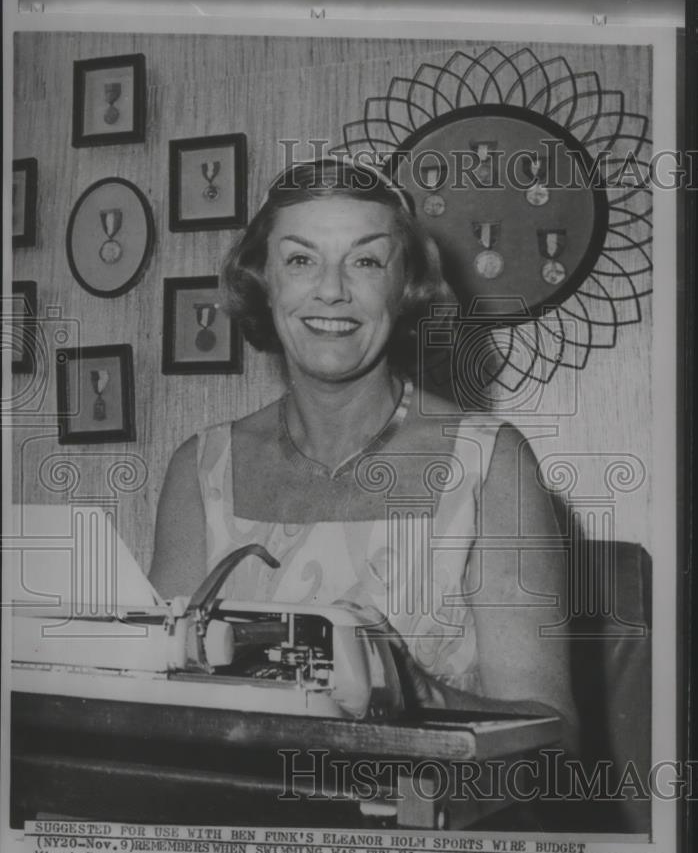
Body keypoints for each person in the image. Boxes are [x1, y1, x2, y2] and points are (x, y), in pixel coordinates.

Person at [149, 158, 578, 754]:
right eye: (301, 259)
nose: (331, 289)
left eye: (367, 260)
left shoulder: (490, 465)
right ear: (264, 282)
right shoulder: (200, 468)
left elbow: (556, 744)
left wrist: (410, 690)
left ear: (405, 288)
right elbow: (154, 697)